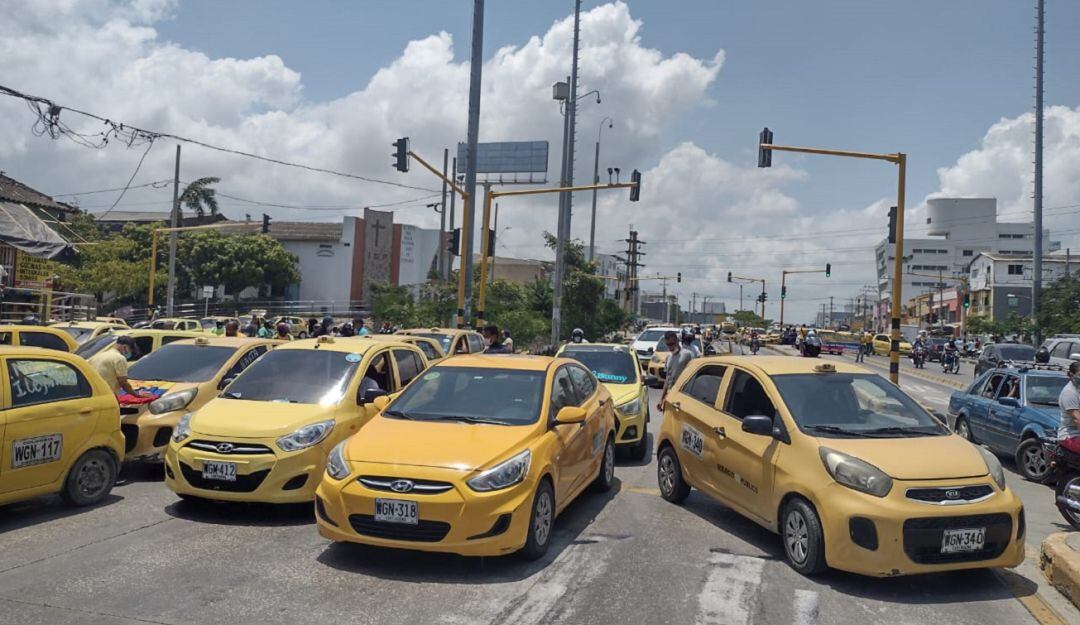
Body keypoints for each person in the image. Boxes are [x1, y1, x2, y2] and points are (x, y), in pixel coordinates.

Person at [659, 331, 692, 411]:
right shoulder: (668, 357)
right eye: (668, 345)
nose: (670, 347)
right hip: (670, 394)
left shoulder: (687, 355)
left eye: (672, 344)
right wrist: (662, 399)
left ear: (677, 341)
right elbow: (667, 379)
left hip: (682, 395)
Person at [1059, 362, 1080, 453]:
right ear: (1072, 374)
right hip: (1071, 435)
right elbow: (1077, 419)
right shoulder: (1069, 393)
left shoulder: (1078, 389)